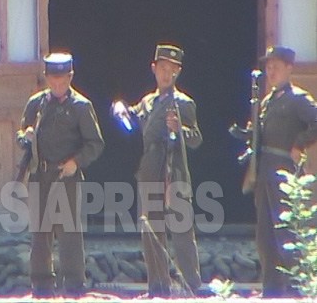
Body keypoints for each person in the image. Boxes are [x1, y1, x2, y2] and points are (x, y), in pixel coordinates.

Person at [114, 44, 202, 297]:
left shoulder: (183, 103)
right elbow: (132, 116)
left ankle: (190, 286)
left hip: (174, 168)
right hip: (150, 168)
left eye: (172, 70)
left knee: (182, 229)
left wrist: (179, 130)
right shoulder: (148, 102)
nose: (166, 74)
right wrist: (120, 108)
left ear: (178, 73)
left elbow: (196, 138)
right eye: (162, 68)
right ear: (154, 69)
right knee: (151, 229)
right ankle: (158, 287)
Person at [17, 52, 104, 298]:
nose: (57, 84)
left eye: (62, 79)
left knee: (69, 233)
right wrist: (26, 137)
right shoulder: (37, 103)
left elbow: (95, 143)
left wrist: (76, 162)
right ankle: (42, 286)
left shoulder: (81, 106)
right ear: (46, 77)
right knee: (40, 232)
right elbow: (22, 132)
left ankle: (74, 285)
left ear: (70, 76)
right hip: (40, 175)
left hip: (66, 176)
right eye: (52, 79)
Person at [254, 46, 317, 297]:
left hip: (284, 170)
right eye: (268, 67)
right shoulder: (267, 101)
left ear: (289, 68)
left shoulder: (298, 99)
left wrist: (300, 143)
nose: (271, 71)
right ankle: (271, 289)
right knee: (265, 233)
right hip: (264, 168)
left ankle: (294, 289)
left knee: (285, 230)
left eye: (276, 66)